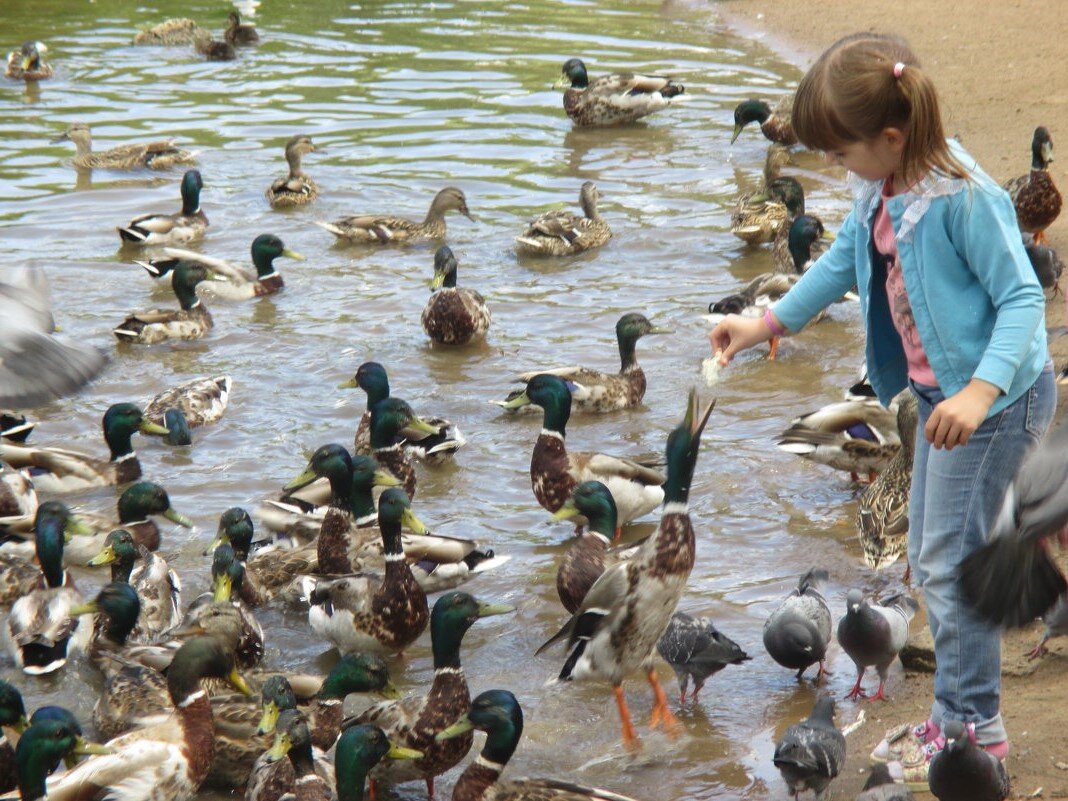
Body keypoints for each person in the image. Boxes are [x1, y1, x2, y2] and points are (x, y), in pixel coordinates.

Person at [711, 33, 1055, 784]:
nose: (836, 169)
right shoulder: (884, 186)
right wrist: (764, 324)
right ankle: (954, 715)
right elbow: (841, 262)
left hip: (997, 405)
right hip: (942, 401)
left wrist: (978, 390)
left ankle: (975, 729)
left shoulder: (961, 197)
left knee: (949, 564)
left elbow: (1024, 296)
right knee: (931, 562)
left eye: (840, 154)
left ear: (890, 137)